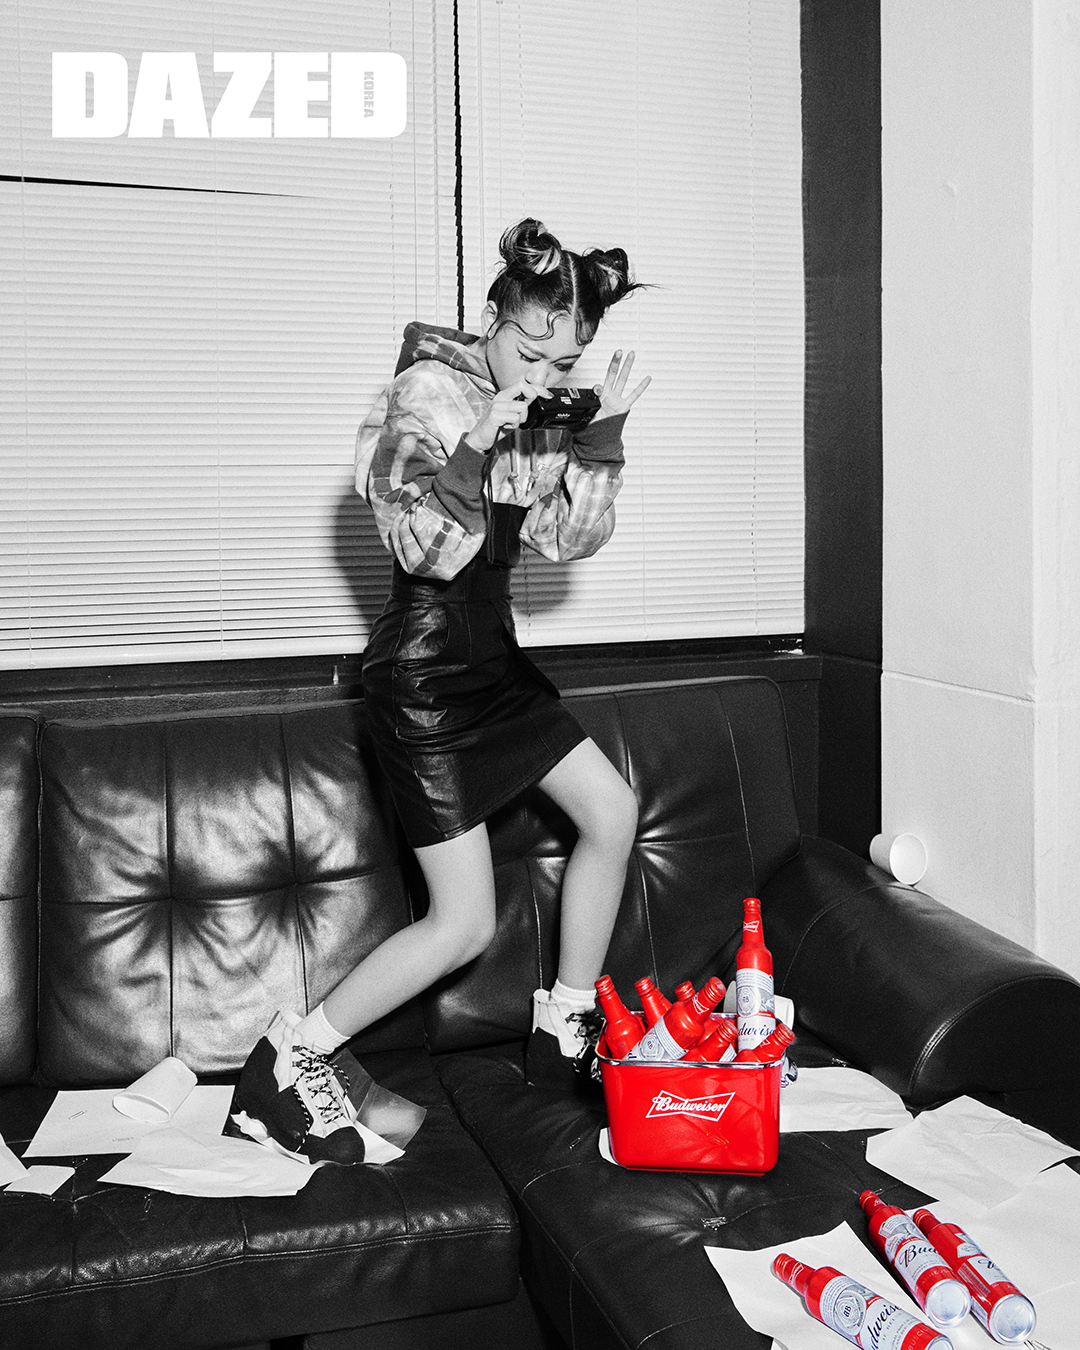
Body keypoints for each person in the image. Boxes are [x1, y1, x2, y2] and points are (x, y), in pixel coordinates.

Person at [230, 218, 650, 1164]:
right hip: (423, 670)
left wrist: (602, 438)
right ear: (494, 317)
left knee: (612, 811)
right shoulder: (422, 391)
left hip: (492, 657)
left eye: (565, 358)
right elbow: (422, 550)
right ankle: (289, 1060)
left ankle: (564, 1026)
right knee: (463, 923)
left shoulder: (541, 399)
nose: (545, 370)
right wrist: (476, 446)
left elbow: (562, 542)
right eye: (530, 349)